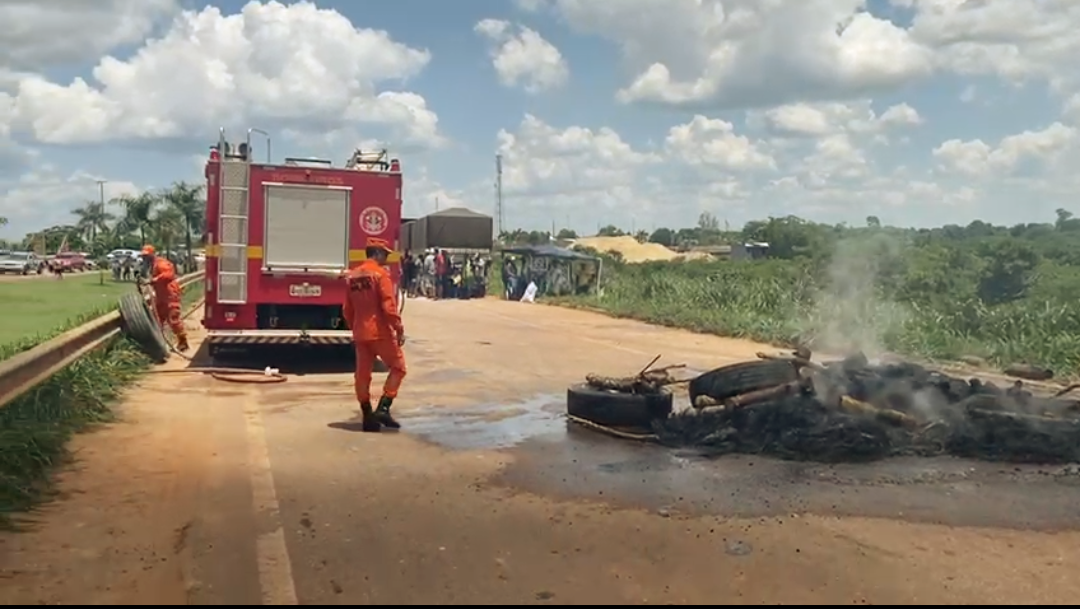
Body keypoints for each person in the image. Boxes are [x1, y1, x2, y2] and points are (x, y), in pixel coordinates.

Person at [342, 237, 407, 432]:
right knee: (398, 367)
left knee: (362, 375)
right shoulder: (380, 275)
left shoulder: (352, 276)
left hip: (360, 333)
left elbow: (347, 309)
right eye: (385, 254)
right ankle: (384, 407)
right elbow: (388, 306)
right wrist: (399, 328)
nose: (386, 257)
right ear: (377, 253)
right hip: (379, 332)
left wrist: (354, 326)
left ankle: (367, 415)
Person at [141, 245, 190, 351]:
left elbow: (169, 274)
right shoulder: (152, 265)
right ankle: (159, 344)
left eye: (147, 256)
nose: (144, 258)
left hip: (170, 296)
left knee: (173, 320)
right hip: (160, 297)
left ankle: (183, 342)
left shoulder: (160, 263)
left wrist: (154, 280)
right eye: (143, 256)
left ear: (152, 254)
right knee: (157, 319)